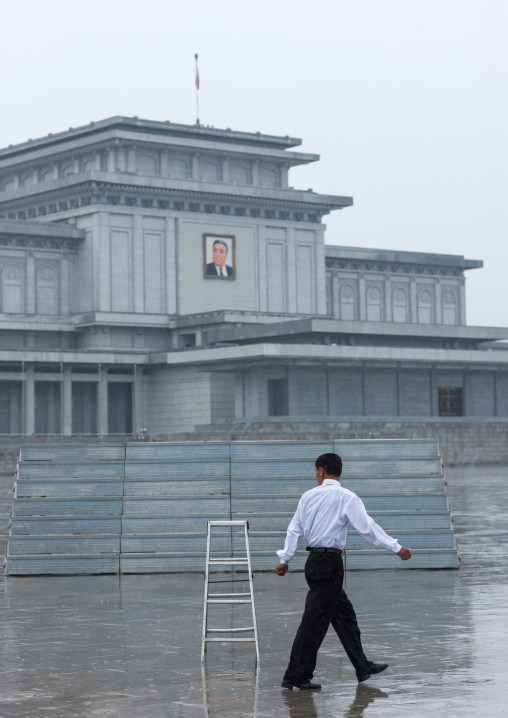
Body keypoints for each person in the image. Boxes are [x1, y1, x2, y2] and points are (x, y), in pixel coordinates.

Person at [275, 452, 412, 691]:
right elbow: (368, 528)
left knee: (345, 617)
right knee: (313, 624)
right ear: (338, 471)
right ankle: (295, 676)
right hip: (330, 565)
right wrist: (396, 546)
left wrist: (285, 559)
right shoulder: (346, 497)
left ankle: (362, 666)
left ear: (321, 470)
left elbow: (294, 530)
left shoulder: (307, 497)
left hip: (315, 563)